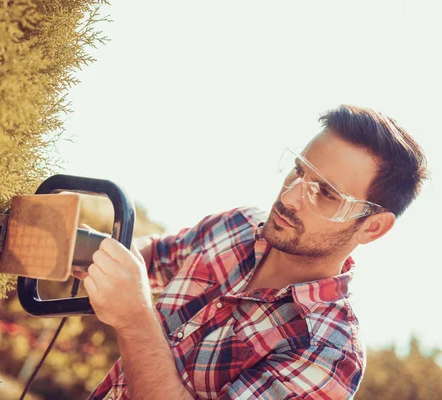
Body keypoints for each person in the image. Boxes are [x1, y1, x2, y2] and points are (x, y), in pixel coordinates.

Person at [73, 105, 429, 400]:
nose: (289, 198)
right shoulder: (236, 225)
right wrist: (72, 245)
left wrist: (135, 319)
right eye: (298, 171)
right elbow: (149, 258)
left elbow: (135, 306)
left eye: (325, 194)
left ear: (372, 227)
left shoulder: (331, 356)